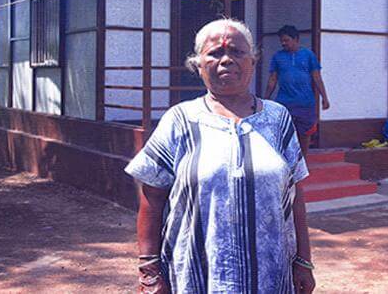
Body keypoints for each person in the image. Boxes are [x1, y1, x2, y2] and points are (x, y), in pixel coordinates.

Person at [125, 19, 316, 294]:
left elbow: (296, 194)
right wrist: (149, 271)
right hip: (195, 276)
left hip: (271, 277)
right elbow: (151, 199)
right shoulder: (179, 120)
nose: (226, 60)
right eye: (214, 53)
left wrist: (304, 261)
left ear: (253, 61)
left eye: (237, 52)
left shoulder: (278, 119)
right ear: (198, 64)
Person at [264, 25, 330, 156]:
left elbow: (317, 77)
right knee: (282, 133)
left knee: (305, 135)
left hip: (305, 103)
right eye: (282, 41)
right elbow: (272, 80)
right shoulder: (278, 57)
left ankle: (303, 162)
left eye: (286, 40)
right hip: (284, 103)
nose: (283, 43)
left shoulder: (308, 55)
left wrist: (325, 98)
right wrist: (266, 99)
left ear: (296, 39)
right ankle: (285, 161)